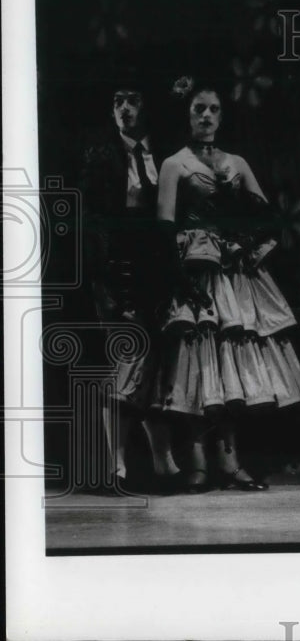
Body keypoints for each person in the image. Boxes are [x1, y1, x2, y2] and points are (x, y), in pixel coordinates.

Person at [152, 75, 300, 492]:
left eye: (213, 109)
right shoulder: (174, 164)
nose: (206, 116)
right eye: (198, 109)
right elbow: (164, 225)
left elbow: (267, 216)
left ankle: (230, 462)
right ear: (186, 114)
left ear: (223, 116)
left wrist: (252, 240)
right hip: (196, 270)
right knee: (199, 364)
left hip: (236, 273)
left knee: (234, 365)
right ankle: (198, 463)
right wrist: (178, 279)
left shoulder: (237, 162)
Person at [79, 73, 184, 494]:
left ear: (145, 107)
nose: (124, 108)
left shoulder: (163, 153)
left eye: (133, 100)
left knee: (157, 365)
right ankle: (117, 466)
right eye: (118, 101)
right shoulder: (100, 153)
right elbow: (91, 221)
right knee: (130, 358)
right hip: (115, 266)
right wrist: (106, 279)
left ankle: (162, 462)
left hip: (155, 266)